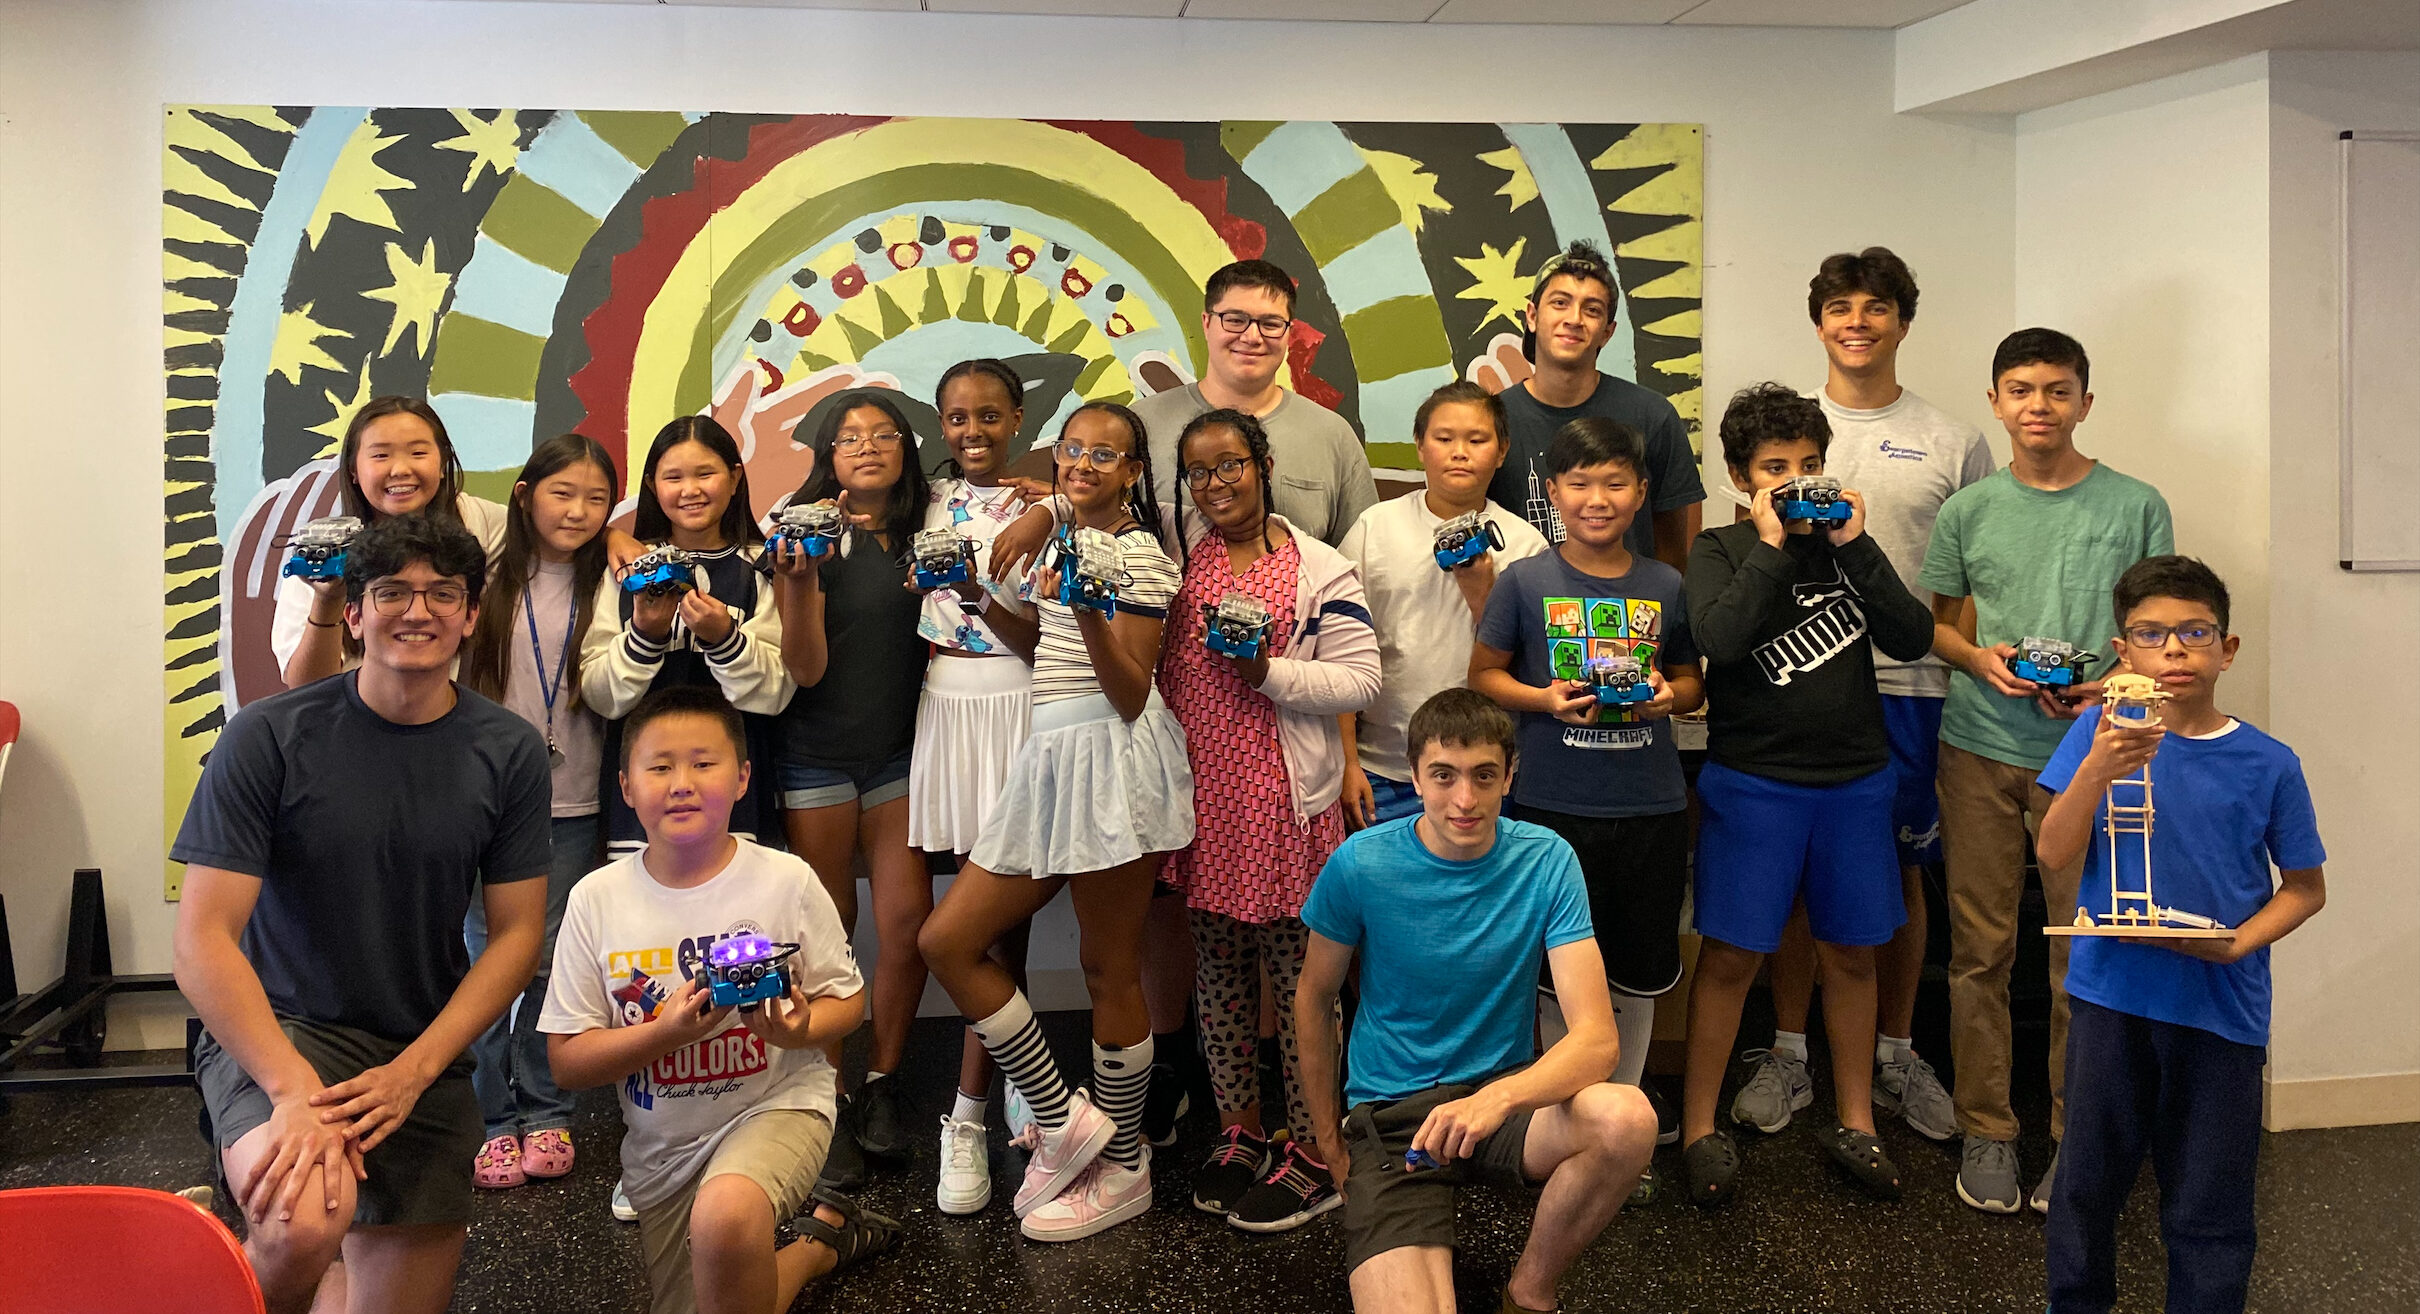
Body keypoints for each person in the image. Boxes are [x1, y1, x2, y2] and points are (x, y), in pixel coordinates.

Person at [171, 516, 554, 1314]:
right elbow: (202, 941)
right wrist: (292, 1093)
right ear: (353, 612)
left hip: (414, 1049)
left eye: (442, 594)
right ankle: (235, 1269)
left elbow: (517, 937)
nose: (417, 611)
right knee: (307, 1220)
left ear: (471, 615)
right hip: (282, 1028)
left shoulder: (511, 750)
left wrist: (414, 1072)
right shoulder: (267, 737)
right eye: (390, 593)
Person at [914, 401, 1195, 1241]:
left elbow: (1132, 690)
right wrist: (973, 594)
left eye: (1105, 455)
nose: (1082, 464)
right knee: (947, 942)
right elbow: (1040, 652)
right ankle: (1062, 1115)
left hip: (1113, 759)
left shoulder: (1141, 554)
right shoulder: (1053, 537)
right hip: (1046, 755)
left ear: (1134, 472)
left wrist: (1081, 607)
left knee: (1109, 967)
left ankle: (1125, 1166)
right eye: (1072, 449)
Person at [1297, 688, 1661, 1314]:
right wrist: (1328, 1140)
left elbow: (1598, 1038)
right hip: (1395, 1113)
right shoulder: (1360, 864)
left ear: (1508, 777)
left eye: (1483, 776)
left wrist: (1498, 1098)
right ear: (1414, 776)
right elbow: (1314, 995)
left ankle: (1530, 1291)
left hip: (1504, 1101)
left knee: (1627, 1119)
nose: (1464, 800)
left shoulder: (1546, 860)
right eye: (1443, 776)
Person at [540, 685, 899, 1314]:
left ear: (742, 778)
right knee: (723, 1298)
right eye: (659, 767)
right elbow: (567, 1061)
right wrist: (666, 1033)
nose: (681, 783)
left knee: (726, 1221)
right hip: (662, 1150)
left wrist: (795, 1030)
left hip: (778, 1103)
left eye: (704, 764)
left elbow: (849, 1002)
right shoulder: (595, 900)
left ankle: (805, 1235)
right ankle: (822, 1243)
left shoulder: (784, 878)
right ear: (626, 788)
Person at [1918, 328, 2174, 1214]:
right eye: (2020, 390)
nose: (2038, 406)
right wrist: (1978, 659)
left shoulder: (2137, 505)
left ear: (2085, 404)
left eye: (2057, 391)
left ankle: (2080, 1137)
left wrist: (2112, 685)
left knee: (2085, 954)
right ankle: (1988, 1129)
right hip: (1980, 746)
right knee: (1980, 949)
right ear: (1995, 402)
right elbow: (1937, 628)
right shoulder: (1969, 510)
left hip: (2093, 756)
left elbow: (2159, 627)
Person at [1745, 247, 1993, 1144]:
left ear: (1902, 320)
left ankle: (1896, 1050)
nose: (1858, 321)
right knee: (1807, 878)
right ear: (1818, 322)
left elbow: (1962, 579)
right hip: (1798, 677)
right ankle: (1787, 1051)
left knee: (1903, 873)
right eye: (1840, 306)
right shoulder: (1788, 431)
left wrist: (1948, 657)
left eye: (1876, 306)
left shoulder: (1954, 438)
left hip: (1907, 685)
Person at [2035, 556, 2326, 1314]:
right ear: (2121, 652)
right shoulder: (2098, 741)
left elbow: (2304, 889)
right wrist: (2097, 764)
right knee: (2086, 1190)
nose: (2173, 651)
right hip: (2110, 999)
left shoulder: (2268, 762)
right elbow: (2053, 850)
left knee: (2210, 1208)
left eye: (2194, 633)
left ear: (2226, 649)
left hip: (2219, 1009)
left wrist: (2236, 943)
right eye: (2151, 635)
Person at [1677, 383, 1936, 1206]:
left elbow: (1913, 635)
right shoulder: (1720, 548)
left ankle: (1856, 1119)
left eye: (1811, 464)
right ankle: (1697, 1128)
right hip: (1753, 784)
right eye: (1776, 468)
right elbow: (1716, 639)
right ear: (1740, 477)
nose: (1797, 481)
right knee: (1728, 957)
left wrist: (1853, 545)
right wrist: (1772, 544)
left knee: (1851, 954)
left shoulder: (1848, 548)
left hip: (1856, 784)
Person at [1156, 408, 1380, 1231]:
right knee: (1215, 976)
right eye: (1200, 472)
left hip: (1288, 809)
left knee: (1302, 986)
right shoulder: (1181, 567)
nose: (1217, 484)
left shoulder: (1319, 569)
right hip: (1204, 809)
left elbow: (1360, 680)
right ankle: (1240, 1132)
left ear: (1264, 462)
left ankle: (1319, 1147)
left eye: (1231, 465)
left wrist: (1266, 669)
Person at [1471, 417, 1703, 1113]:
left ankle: (1621, 1115)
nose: (1596, 498)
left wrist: (1670, 697)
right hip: (1551, 809)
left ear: (1640, 493)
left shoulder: (1667, 581)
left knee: (1636, 973)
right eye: (1579, 483)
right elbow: (1483, 676)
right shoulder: (1523, 581)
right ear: (1552, 492)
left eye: (1614, 483)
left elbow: (1691, 680)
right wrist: (1542, 699)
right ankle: (1560, 1118)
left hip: (1650, 809)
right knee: (1553, 973)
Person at [765, 391, 935, 1189]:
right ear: (826, 455)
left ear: (906, 448)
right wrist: (800, 583)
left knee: (906, 922)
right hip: (816, 757)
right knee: (827, 929)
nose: (866, 448)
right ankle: (824, 1092)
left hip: (901, 754)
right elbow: (803, 668)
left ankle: (882, 1084)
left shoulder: (931, 522)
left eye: (883, 435)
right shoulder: (801, 531)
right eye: (848, 438)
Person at [456, 434, 620, 1190]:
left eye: (596, 498)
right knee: (485, 956)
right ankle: (490, 1116)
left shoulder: (614, 577)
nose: (579, 511)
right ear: (524, 495)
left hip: (577, 795)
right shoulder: (484, 572)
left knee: (550, 960)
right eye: (563, 493)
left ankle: (546, 1107)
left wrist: (623, 535)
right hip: (481, 797)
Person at [913, 360, 1043, 1217]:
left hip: (1019, 700)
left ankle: (991, 1097)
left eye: (990, 416)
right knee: (975, 916)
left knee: (1004, 920)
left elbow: (1041, 640)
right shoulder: (919, 500)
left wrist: (981, 590)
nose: (973, 432)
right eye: (957, 418)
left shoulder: (1048, 505)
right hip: (948, 706)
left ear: (1019, 417)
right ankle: (990, 1098)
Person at [1339, 381, 1550, 830]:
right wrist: (1346, 762)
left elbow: (1534, 665)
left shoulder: (1524, 544)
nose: (1460, 452)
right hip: (1384, 769)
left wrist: (1482, 594)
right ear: (1419, 445)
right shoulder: (1375, 527)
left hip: (1485, 772)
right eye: (1444, 438)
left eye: (1477, 440)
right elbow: (1339, 650)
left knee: (1478, 897)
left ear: (1501, 450)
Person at [581, 416, 792, 860]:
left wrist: (724, 639)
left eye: (706, 474)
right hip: (640, 793)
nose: (690, 490)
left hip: (737, 792)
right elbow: (600, 695)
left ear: (735, 478)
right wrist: (644, 634)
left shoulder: (762, 567)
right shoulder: (624, 570)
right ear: (652, 486)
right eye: (673, 477)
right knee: (643, 922)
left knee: (740, 924)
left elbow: (777, 692)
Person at [1485, 241, 1705, 574]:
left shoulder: (1652, 416)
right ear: (1532, 315)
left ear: (1607, 332)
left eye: (1592, 309)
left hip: (1629, 617)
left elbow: (1672, 553)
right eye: (1560, 303)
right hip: (1522, 618)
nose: (1574, 319)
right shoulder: (1492, 420)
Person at [1131, 258, 1380, 548]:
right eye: (1235, 320)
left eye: (1270, 323)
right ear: (1207, 323)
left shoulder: (1333, 436)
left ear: (1289, 332)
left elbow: (1363, 562)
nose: (1252, 337)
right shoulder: (1140, 425)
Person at [274, 397, 509, 687]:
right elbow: (305, 687)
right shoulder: (323, 556)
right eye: (381, 456)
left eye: (418, 452)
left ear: (442, 462)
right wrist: (327, 599)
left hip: (439, 718)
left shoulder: (474, 521)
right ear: (353, 472)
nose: (400, 469)